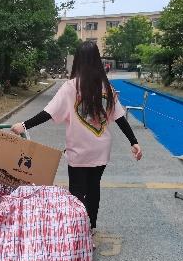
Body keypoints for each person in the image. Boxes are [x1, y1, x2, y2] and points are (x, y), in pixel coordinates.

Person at [11, 41, 142, 237]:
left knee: (77, 192)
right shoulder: (106, 87)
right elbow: (120, 117)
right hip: (101, 149)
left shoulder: (71, 87)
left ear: (78, 61)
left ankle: (79, 232)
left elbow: (48, 113)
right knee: (94, 187)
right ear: (97, 60)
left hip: (79, 151)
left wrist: (24, 125)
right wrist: (134, 141)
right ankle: (90, 227)